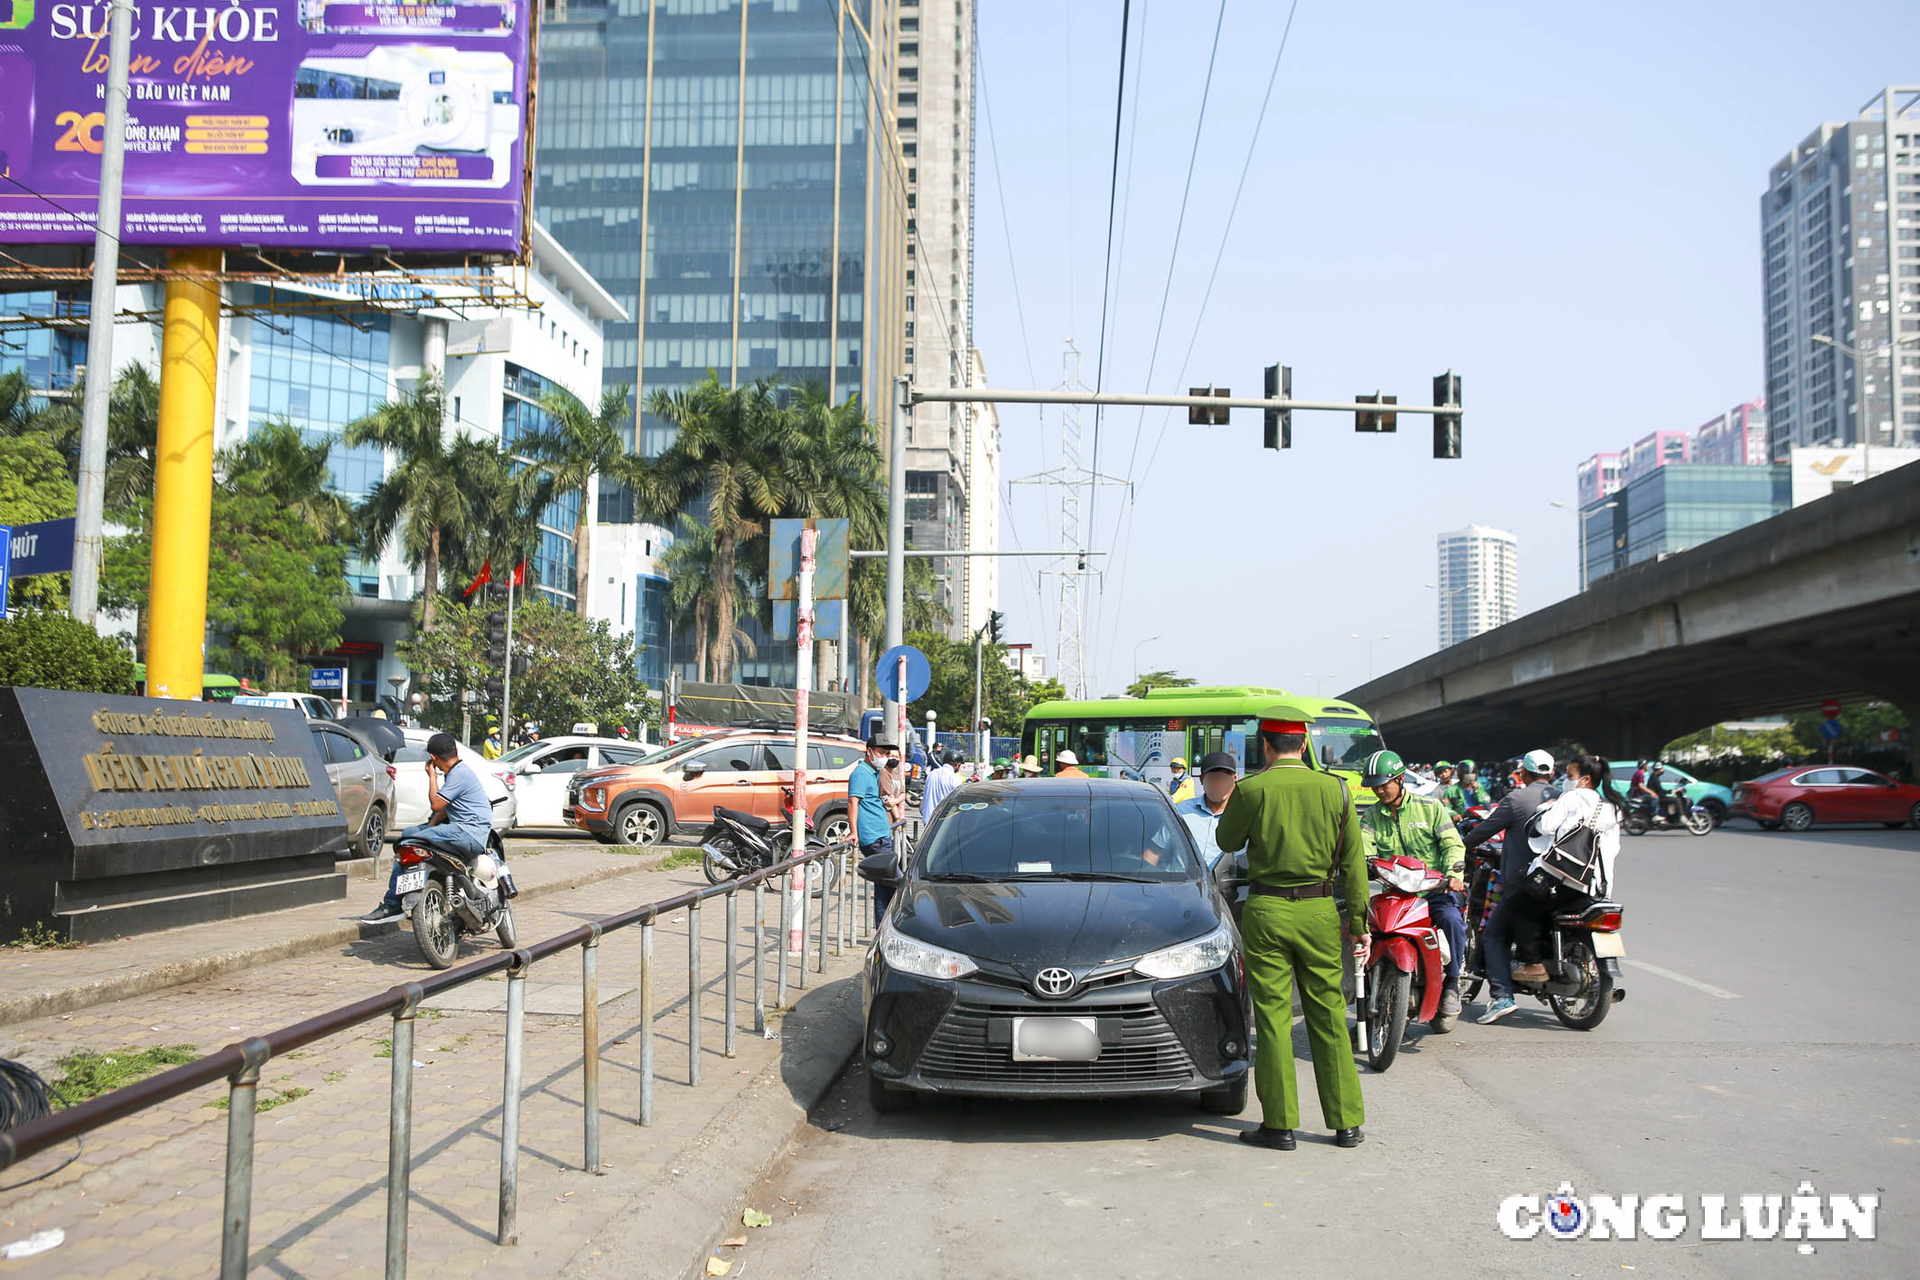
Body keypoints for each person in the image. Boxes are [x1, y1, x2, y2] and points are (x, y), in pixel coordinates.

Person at [1216, 718, 1369, 1151]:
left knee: (1273, 1019)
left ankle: (1280, 1126)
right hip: (1321, 910)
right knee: (1329, 1015)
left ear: (1266, 746)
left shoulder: (1251, 789)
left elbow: (1227, 839)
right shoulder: (1336, 789)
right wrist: (1358, 924)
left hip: (1268, 911)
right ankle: (1346, 1124)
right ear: (1303, 746)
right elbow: (1354, 864)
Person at [1357, 749, 1468, 1024]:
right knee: (1363, 930)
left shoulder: (1431, 808)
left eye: (1385, 784)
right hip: (1394, 893)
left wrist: (1454, 872)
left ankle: (1452, 983)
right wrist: (1362, 864)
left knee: (1452, 920)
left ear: (1401, 779)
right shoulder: (1371, 816)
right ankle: (1365, 996)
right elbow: (1363, 845)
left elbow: (1452, 844)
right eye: (1375, 787)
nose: (1380, 791)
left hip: (1433, 891)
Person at [1505, 754, 1624, 983]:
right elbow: (1613, 849)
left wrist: (1546, 807)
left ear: (1585, 779)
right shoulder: (1612, 808)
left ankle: (1533, 964)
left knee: (1519, 907)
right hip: (1599, 887)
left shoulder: (1571, 798)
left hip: (1567, 881)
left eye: (1570, 776)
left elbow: (1545, 826)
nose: (1565, 780)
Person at [1464, 749, 1560, 1023]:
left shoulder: (1517, 798)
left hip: (1526, 884)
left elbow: (1486, 830)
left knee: (1494, 934)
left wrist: (1460, 846)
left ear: (1524, 773)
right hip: (1566, 883)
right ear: (1551, 774)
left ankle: (1502, 996)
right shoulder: (1567, 798)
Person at [361, 733, 496, 923]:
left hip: (466, 834)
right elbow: (447, 808)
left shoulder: (458, 774)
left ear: (433, 758)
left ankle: (391, 905)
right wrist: (429, 828)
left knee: (406, 840)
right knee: (414, 834)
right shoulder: (460, 771)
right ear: (455, 751)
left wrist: (431, 776)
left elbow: (436, 805)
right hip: (468, 834)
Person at [849, 735, 901, 925]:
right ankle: (888, 927)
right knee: (898, 885)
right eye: (881, 752)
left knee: (884, 886)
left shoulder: (874, 772)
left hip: (882, 834)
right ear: (869, 751)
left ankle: (883, 928)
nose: (884, 756)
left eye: (887, 753)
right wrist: (854, 831)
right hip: (874, 838)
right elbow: (853, 802)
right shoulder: (861, 773)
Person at [1174, 752, 1238, 870]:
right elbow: (1156, 851)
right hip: (1184, 885)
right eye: (1214, 777)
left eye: (1226, 776)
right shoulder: (1181, 811)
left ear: (1234, 780)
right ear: (1202, 779)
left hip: (1225, 887)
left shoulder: (1242, 816)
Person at [921, 749, 962, 820]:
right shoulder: (955, 778)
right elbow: (957, 802)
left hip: (928, 819)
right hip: (944, 821)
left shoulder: (931, 774)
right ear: (958, 765)